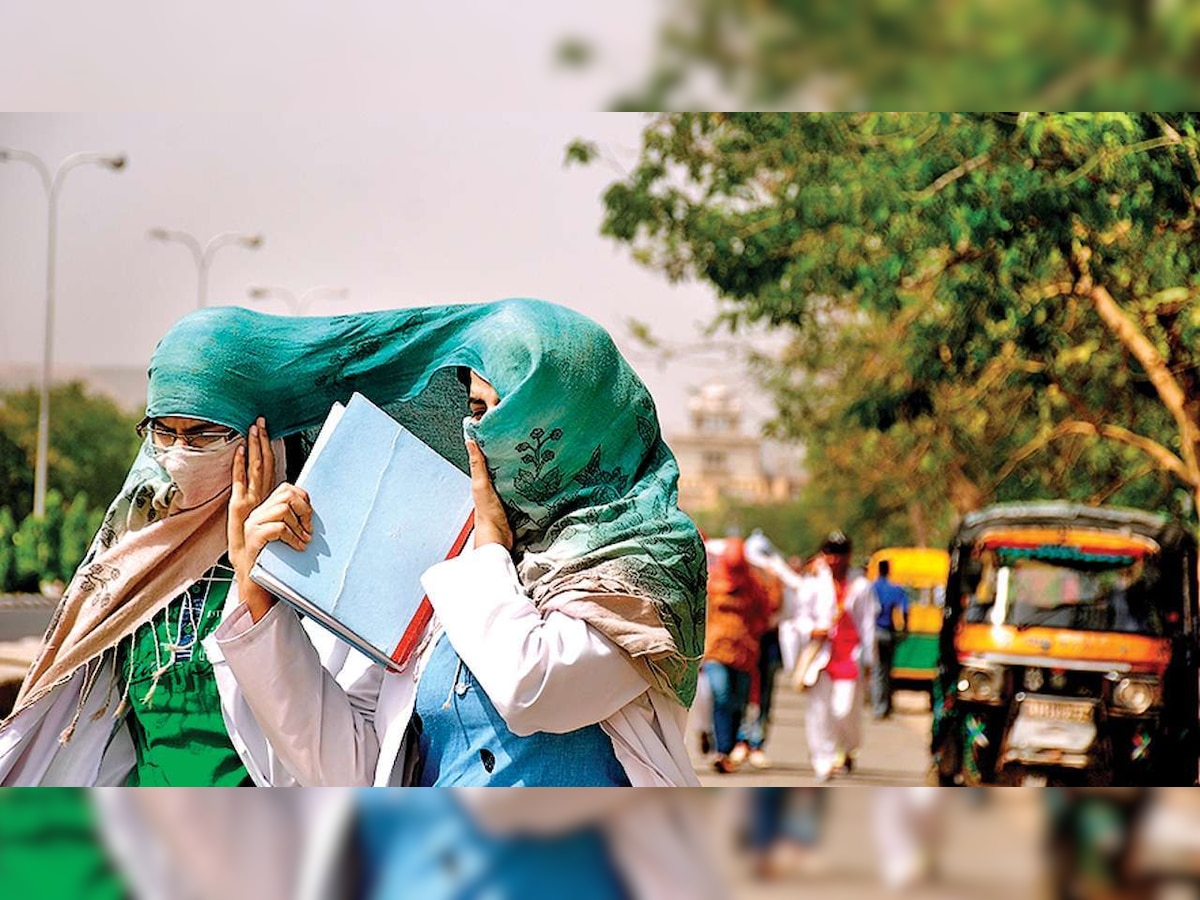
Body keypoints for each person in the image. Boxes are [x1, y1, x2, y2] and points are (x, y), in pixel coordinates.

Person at [204, 297, 707, 787]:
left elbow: (533, 688)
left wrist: (489, 548)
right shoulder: (460, 558)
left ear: (575, 420)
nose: (486, 431)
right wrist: (260, 599)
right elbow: (352, 771)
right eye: (477, 407)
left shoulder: (647, 560)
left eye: (510, 410)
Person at [0, 399, 285, 784]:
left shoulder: (295, 561)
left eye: (203, 434)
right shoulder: (135, 559)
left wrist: (252, 566)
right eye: (165, 432)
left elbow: (307, 727)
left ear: (257, 442)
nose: (181, 453)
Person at [794, 531, 875, 782]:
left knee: (844, 710)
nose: (834, 559)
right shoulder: (813, 584)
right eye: (829, 553)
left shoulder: (861, 586)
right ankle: (823, 759)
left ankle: (848, 747)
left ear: (848, 555)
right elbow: (800, 618)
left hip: (850, 657)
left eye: (840, 553)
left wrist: (870, 660)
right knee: (819, 711)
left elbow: (868, 625)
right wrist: (811, 629)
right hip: (822, 657)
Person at [701, 537, 772, 774]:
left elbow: (765, 613)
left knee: (738, 702)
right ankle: (721, 749)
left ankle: (730, 748)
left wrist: (752, 635)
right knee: (721, 695)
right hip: (716, 650)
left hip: (744, 652)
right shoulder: (711, 582)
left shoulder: (754, 585)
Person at [870, 558, 909, 720]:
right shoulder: (895, 589)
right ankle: (886, 706)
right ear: (889, 570)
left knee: (877, 671)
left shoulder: (872, 588)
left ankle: (878, 707)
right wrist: (906, 627)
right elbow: (905, 609)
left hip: (874, 631)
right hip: (889, 632)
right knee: (888, 670)